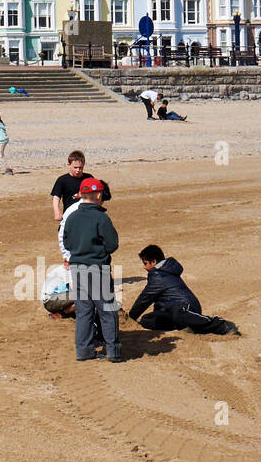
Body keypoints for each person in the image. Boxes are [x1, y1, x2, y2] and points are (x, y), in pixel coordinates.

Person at [60, 177, 121, 362]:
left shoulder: (71, 216)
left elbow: (67, 242)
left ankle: (84, 352)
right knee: (108, 311)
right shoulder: (101, 218)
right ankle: (113, 352)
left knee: (84, 313)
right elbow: (112, 245)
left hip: (77, 269)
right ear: (98, 194)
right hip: (97, 269)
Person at [129, 245, 240, 336]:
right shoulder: (162, 272)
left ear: (153, 262)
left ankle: (222, 325)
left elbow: (145, 298)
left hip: (186, 307)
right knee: (147, 320)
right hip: (170, 310)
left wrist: (130, 317)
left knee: (179, 314)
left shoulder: (158, 275)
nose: (144, 267)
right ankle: (184, 326)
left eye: (145, 263)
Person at [50, 150, 111, 223]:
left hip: (87, 214)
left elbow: (98, 194)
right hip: (70, 215)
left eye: (80, 168)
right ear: (68, 165)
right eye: (75, 167)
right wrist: (57, 212)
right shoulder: (62, 180)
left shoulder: (89, 178)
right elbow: (56, 198)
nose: (78, 170)